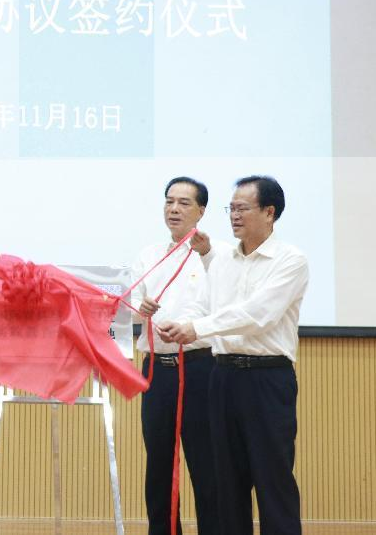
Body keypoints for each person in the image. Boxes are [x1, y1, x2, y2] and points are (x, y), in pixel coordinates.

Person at [158, 175, 309, 535]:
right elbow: (210, 305)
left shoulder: (290, 260)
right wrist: (177, 323)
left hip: (267, 378)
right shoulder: (223, 259)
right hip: (222, 377)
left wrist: (196, 328)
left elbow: (258, 315)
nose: (234, 216)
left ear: (269, 212)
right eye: (232, 208)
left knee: (272, 480)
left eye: (243, 208)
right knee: (226, 483)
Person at [131, 177, 219, 535]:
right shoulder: (148, 255)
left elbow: (226, 307)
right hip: (157, 370)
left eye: (184, 202)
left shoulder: (217, 256)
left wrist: (189, 327)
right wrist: (141, 308)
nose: (174, 209)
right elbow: (131, 308)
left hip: (201, 368)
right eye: (169, 201)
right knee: (159, 465)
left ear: (201, 211)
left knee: (206, 462)